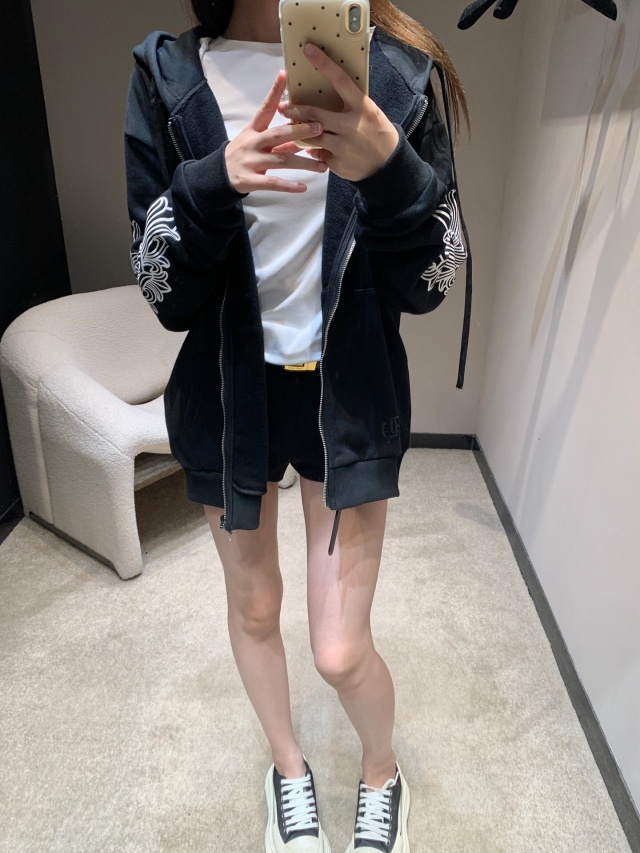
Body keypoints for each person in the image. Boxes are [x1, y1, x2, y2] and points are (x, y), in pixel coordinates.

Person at [124, 0, 471, 849]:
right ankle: (288, 769)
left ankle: (383, 771)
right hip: (226, 390)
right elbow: (162, 290)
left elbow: (435, 278)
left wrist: (390, 169)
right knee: (253, 610)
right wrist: (212, 182)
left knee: (340, 649)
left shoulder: (396, 73)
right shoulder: (169, 75)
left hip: (348, 391)